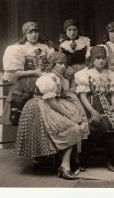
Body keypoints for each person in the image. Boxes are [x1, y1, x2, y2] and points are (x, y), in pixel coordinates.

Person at [15, 52, 90, 180]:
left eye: (64, 64)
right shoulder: (46, 78)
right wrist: (70, 116)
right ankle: (62, 165)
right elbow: (52, 102)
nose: (63, 66)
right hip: (40, 107)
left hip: (51, 104)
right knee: (71, 126)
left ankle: (66, 164)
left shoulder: (59, 78)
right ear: (52, 64)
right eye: (59, 63)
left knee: (79, 123)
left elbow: (60, 95)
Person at [75, 46, 114, 176]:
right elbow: (82, 95)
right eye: (98, 58)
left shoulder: (110, 74)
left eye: (103, 58)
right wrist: (92, 111)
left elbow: (113, 93)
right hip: (92, 105)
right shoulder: (86, 74)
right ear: (92, 60)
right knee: (105, 123)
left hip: (108, 104)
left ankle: (111, 157)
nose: (101, 61)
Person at [1, 21, 54, 126]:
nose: (34, 35)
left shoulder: (46, 46)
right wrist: (34, 72)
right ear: (25, 34)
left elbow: (53, 64)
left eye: (36, 32)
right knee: (27, 118)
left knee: (47, 118)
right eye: (30, 32)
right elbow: (15, 73)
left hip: (45, 82)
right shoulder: (18, 48)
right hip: (26, 84)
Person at [58, 19, 91, 87]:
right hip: (69, 72)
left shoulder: (85, 41)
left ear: (78, 30)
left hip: (84, 70)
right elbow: (60, 62)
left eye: (74, 29)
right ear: (65, 30)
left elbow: (90, 58)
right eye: (69, 30)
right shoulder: (62, 44)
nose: (72, 32)